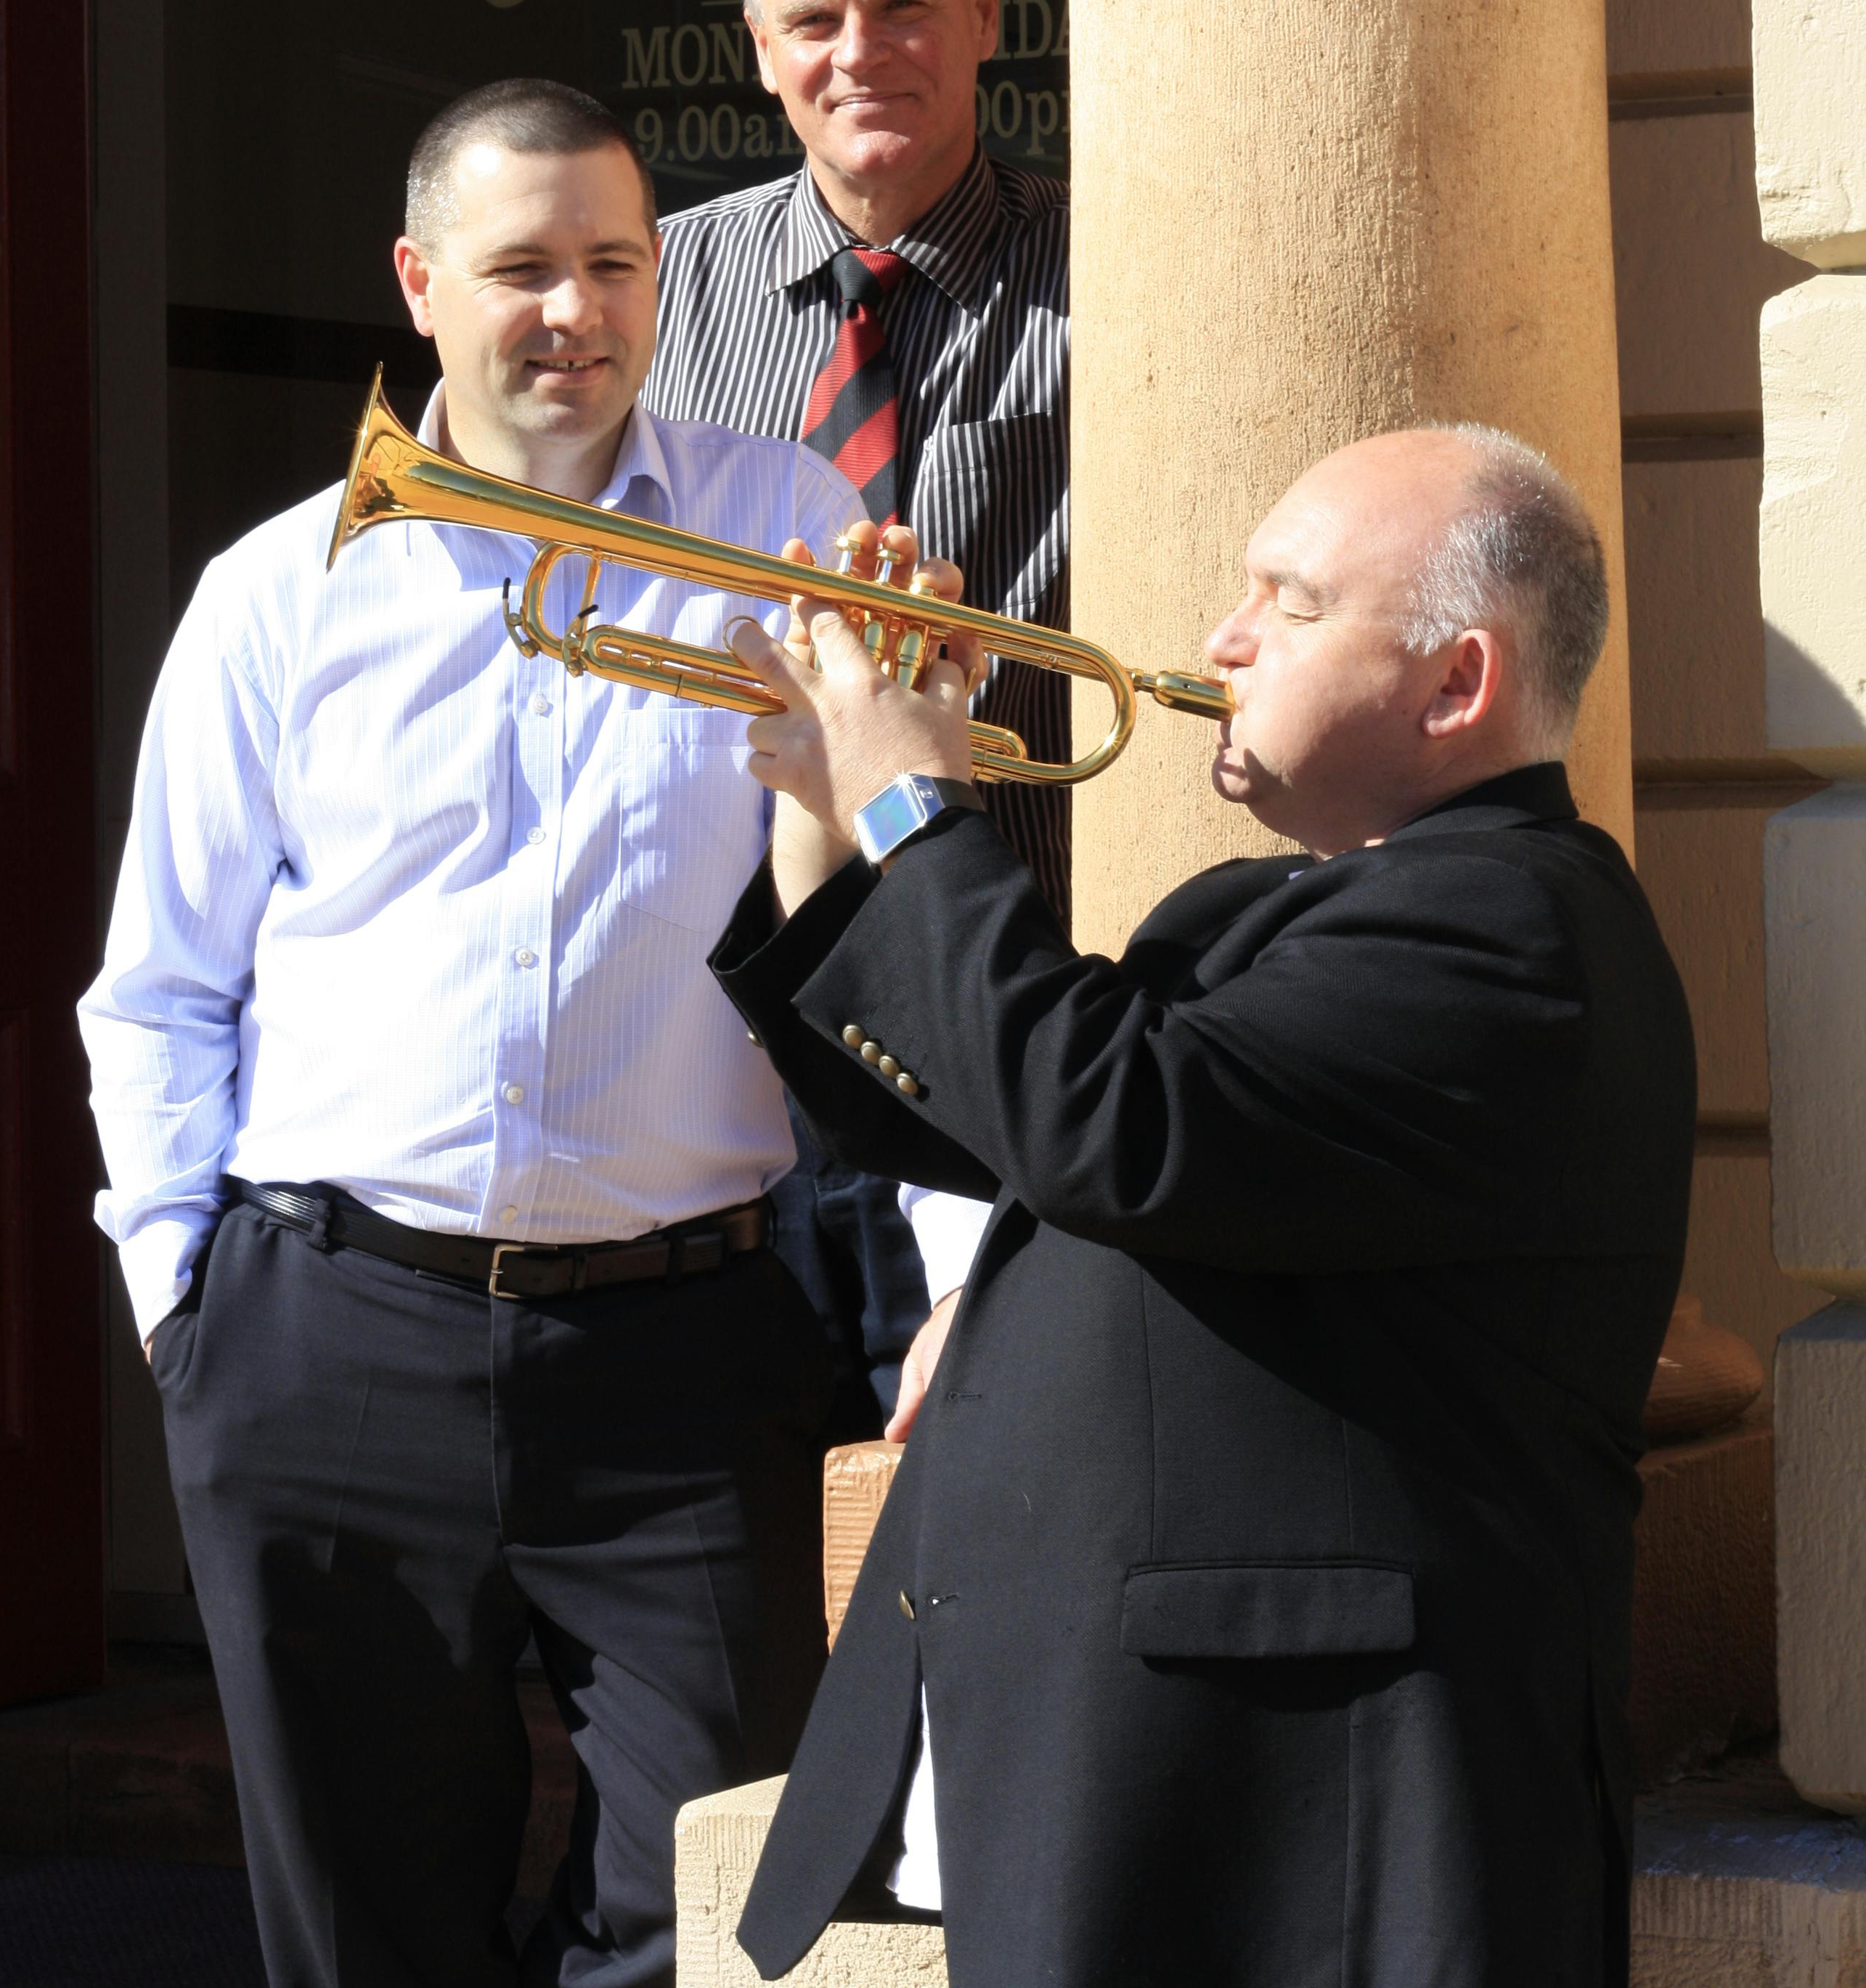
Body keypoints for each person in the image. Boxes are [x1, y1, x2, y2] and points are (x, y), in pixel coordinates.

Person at [708, 425, 1698, 1988]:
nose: (1223, 640)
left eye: (1290, 604)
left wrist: (915, 806)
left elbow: (1105, 1124)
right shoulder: (1255, 911)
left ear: (1458, 685)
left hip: (1315, 1842)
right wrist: (828, 826)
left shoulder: (1516, 932)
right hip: (1144, 1798)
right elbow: (978, 1119)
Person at [79, 81, 869, 1988]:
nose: (572, 312)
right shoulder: (282, 592)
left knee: (716, 1914)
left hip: (686, 1350)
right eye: (521, 269)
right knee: (366, 1934)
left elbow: (865, 919)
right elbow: (165, 985)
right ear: (424, 285)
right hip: (330, 1332)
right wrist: (183, 1304)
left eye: (614, 263)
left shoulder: (792, 526)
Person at [645, 0, 1069, 1442]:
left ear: (983, 15)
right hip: (712, 1046)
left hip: (988, 1019)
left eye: (904, 3)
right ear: (760, 51)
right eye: (814, 18)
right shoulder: (661, 291)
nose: (860, 49)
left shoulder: (1127, 261)